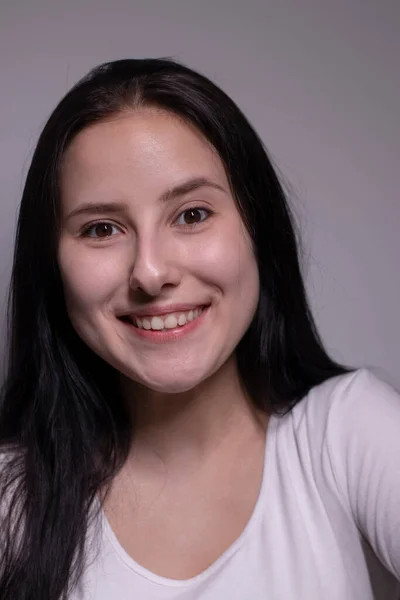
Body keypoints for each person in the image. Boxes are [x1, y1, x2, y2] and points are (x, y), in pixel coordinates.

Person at [0, 58, 399, 600]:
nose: (150, 271)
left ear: (257, 229)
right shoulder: (12, 499)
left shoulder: (347, 433)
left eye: (191, 215)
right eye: (101, 228)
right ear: (52, 266)